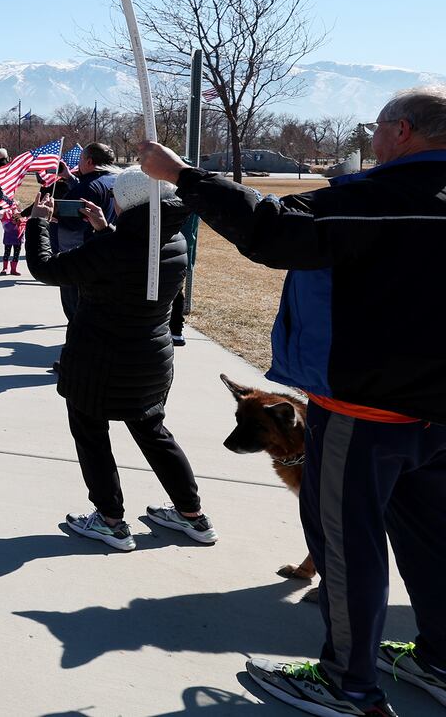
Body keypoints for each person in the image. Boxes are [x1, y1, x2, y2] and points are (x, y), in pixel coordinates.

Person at [138, 85, 446, 717]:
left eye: (376, 126)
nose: (372, 137)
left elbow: (273, 232)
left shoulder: (377, 198)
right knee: (433, 541)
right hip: (438, 418)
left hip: (366, 416)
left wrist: (181, 176)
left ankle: (347, 683)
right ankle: (439, 659)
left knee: (345, 545)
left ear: (404, 131)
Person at [24, 168, 212, 552]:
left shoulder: (113, 249)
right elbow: (136, 264)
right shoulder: (172, 240)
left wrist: (38, 223)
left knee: (91, 434)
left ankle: (110, 520)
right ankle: (192, 515)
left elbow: (46, 268)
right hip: (150, 359)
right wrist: (106, 229)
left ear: (127, 202)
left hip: (100, 360)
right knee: (154, 433)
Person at [49, 143, 119, 322]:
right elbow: (93, 192)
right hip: (108, 253)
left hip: (78, 258)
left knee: (76, 312)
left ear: (89, 161)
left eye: (80, 159)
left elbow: (73, 221)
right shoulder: (116, 180)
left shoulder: (87, 188)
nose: (78, 163)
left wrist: (50, 216)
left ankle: (78, 347)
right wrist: (69, 178)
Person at [0, 201, 25, 275]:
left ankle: (13, 269)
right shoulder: (6, 216)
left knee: (16, 254)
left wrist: (20, 221)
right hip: (8, 238)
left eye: (16, 207)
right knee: (7, 253)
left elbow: (24, 224)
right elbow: (6, 227)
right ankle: (5, 268)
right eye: (13, 207)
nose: (15, 209)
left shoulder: (22, 216)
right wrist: (12, 222)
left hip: (18, 238)